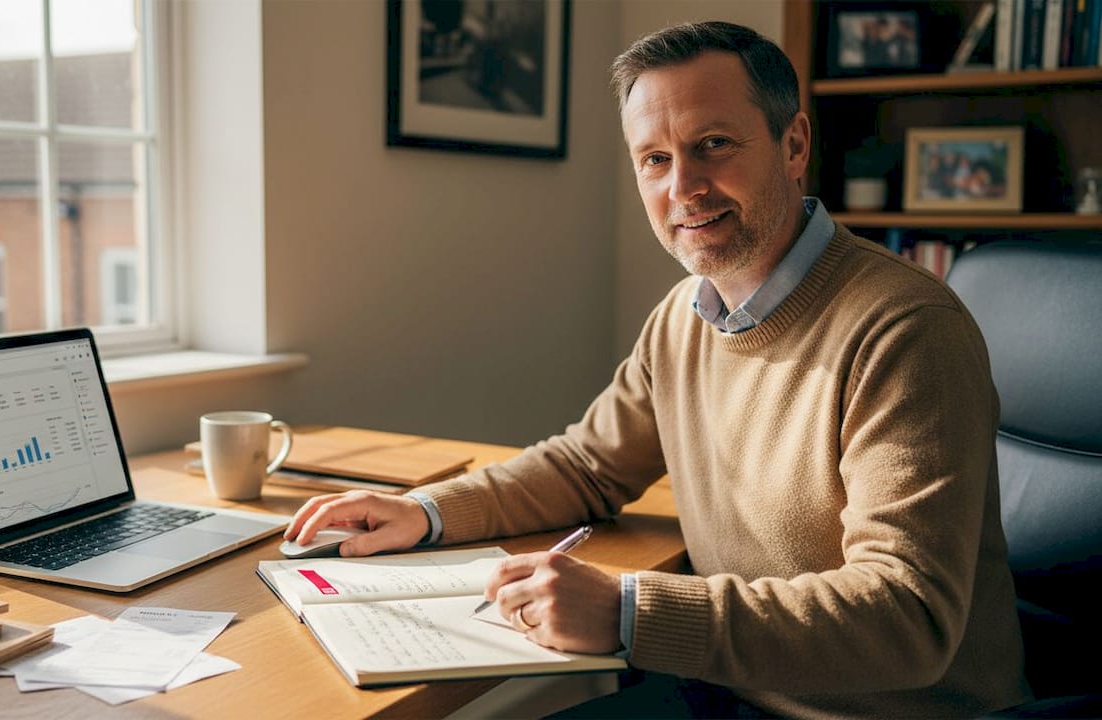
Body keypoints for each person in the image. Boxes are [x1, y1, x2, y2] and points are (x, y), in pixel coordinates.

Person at [285, 21, 1028, 718]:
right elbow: (586, 466)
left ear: (793, 143)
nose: (683, 189)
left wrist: (630, 612)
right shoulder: (684, 315)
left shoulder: (905, 330)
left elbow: (908, 617)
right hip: (732, 692)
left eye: (712, 145)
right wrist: (428, 511)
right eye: (656, 158)